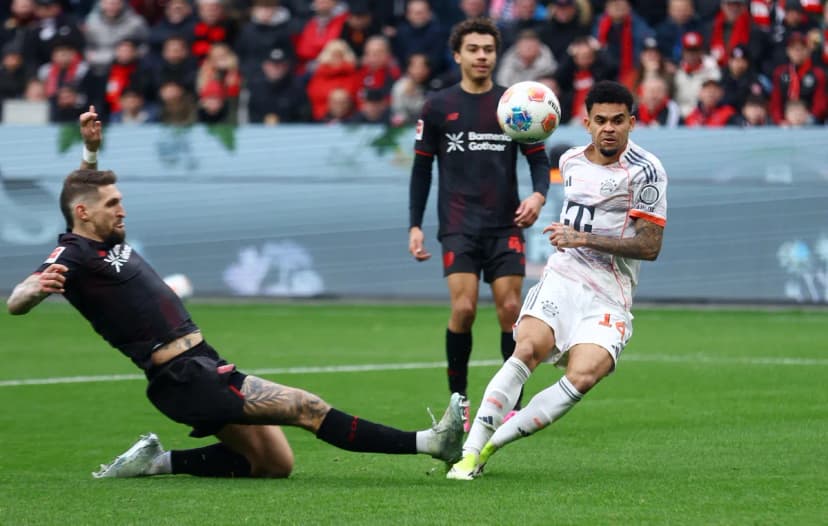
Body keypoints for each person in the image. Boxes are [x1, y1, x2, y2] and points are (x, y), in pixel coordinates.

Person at [6, 106, 464, 479]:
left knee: (274, 464)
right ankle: (430, 443)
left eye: (120, 200)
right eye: (113, 204)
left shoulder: (101, 235)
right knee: (307, 407)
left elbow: (80, 193)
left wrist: (90, 152)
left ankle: (157, 462)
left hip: (201, 359)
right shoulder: (72, 254)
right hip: (182, 377)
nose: (122, 209)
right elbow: (17, 299)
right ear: (85, 214)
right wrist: (33, 290)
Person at [447, 80, 668, 480]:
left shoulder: (646, 171)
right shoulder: (569, 161)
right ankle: (470, 451)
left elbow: (650, 246)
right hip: (563, 279)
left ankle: (495, 443)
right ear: (587, 123)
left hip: (610, 296)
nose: (609, 128)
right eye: (601, 120)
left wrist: (582, 238)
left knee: (583, 376)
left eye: (618, 120)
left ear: (632, 123)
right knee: (526, 348)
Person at [408, 18, 550, 428]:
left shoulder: (513, 105)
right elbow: (422, 170)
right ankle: (459, 401)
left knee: (511, 309)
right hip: (458, 225)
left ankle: (512, 404)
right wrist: (414, 225)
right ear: (457, 55)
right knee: (465, 308)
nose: (482, 56)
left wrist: (538, 196)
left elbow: (538, 161)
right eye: (473, 49)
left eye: (488, 49)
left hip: (505, 225)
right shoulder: (437, 107)